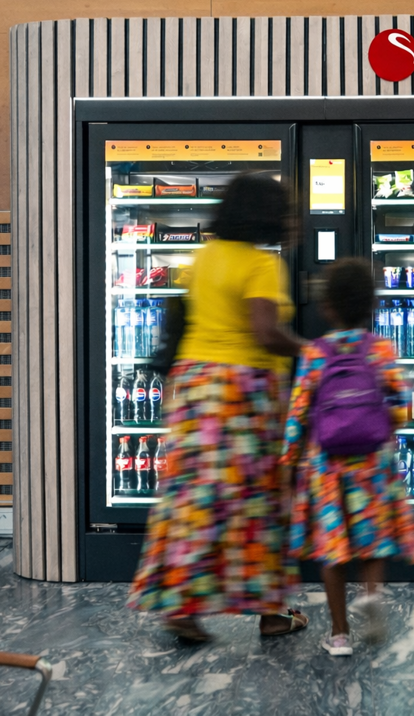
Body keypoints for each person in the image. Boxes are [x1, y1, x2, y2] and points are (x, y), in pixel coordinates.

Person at [128, 172, 309, 643]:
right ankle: (271, 611)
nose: (291, 221)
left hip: (194, 389)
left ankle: (181, 608)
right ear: (266, 215)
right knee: (260, 503)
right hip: (242, 393)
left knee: (194, 502)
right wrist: (314, 351)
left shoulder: (205, 256)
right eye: (285, 211)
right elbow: (265, 332)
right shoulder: (261, 265)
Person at [281, 258, 414, 657]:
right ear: (371, 306)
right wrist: (385, 432)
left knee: (333, 548)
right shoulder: (381, 349)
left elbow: (297, 414)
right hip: (372, 464)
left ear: (327, 306)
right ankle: (371, 596)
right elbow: (400, 407)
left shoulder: (315, 353)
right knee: (372, 540)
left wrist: (290, 459)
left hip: (326, 466)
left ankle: (340, 634)